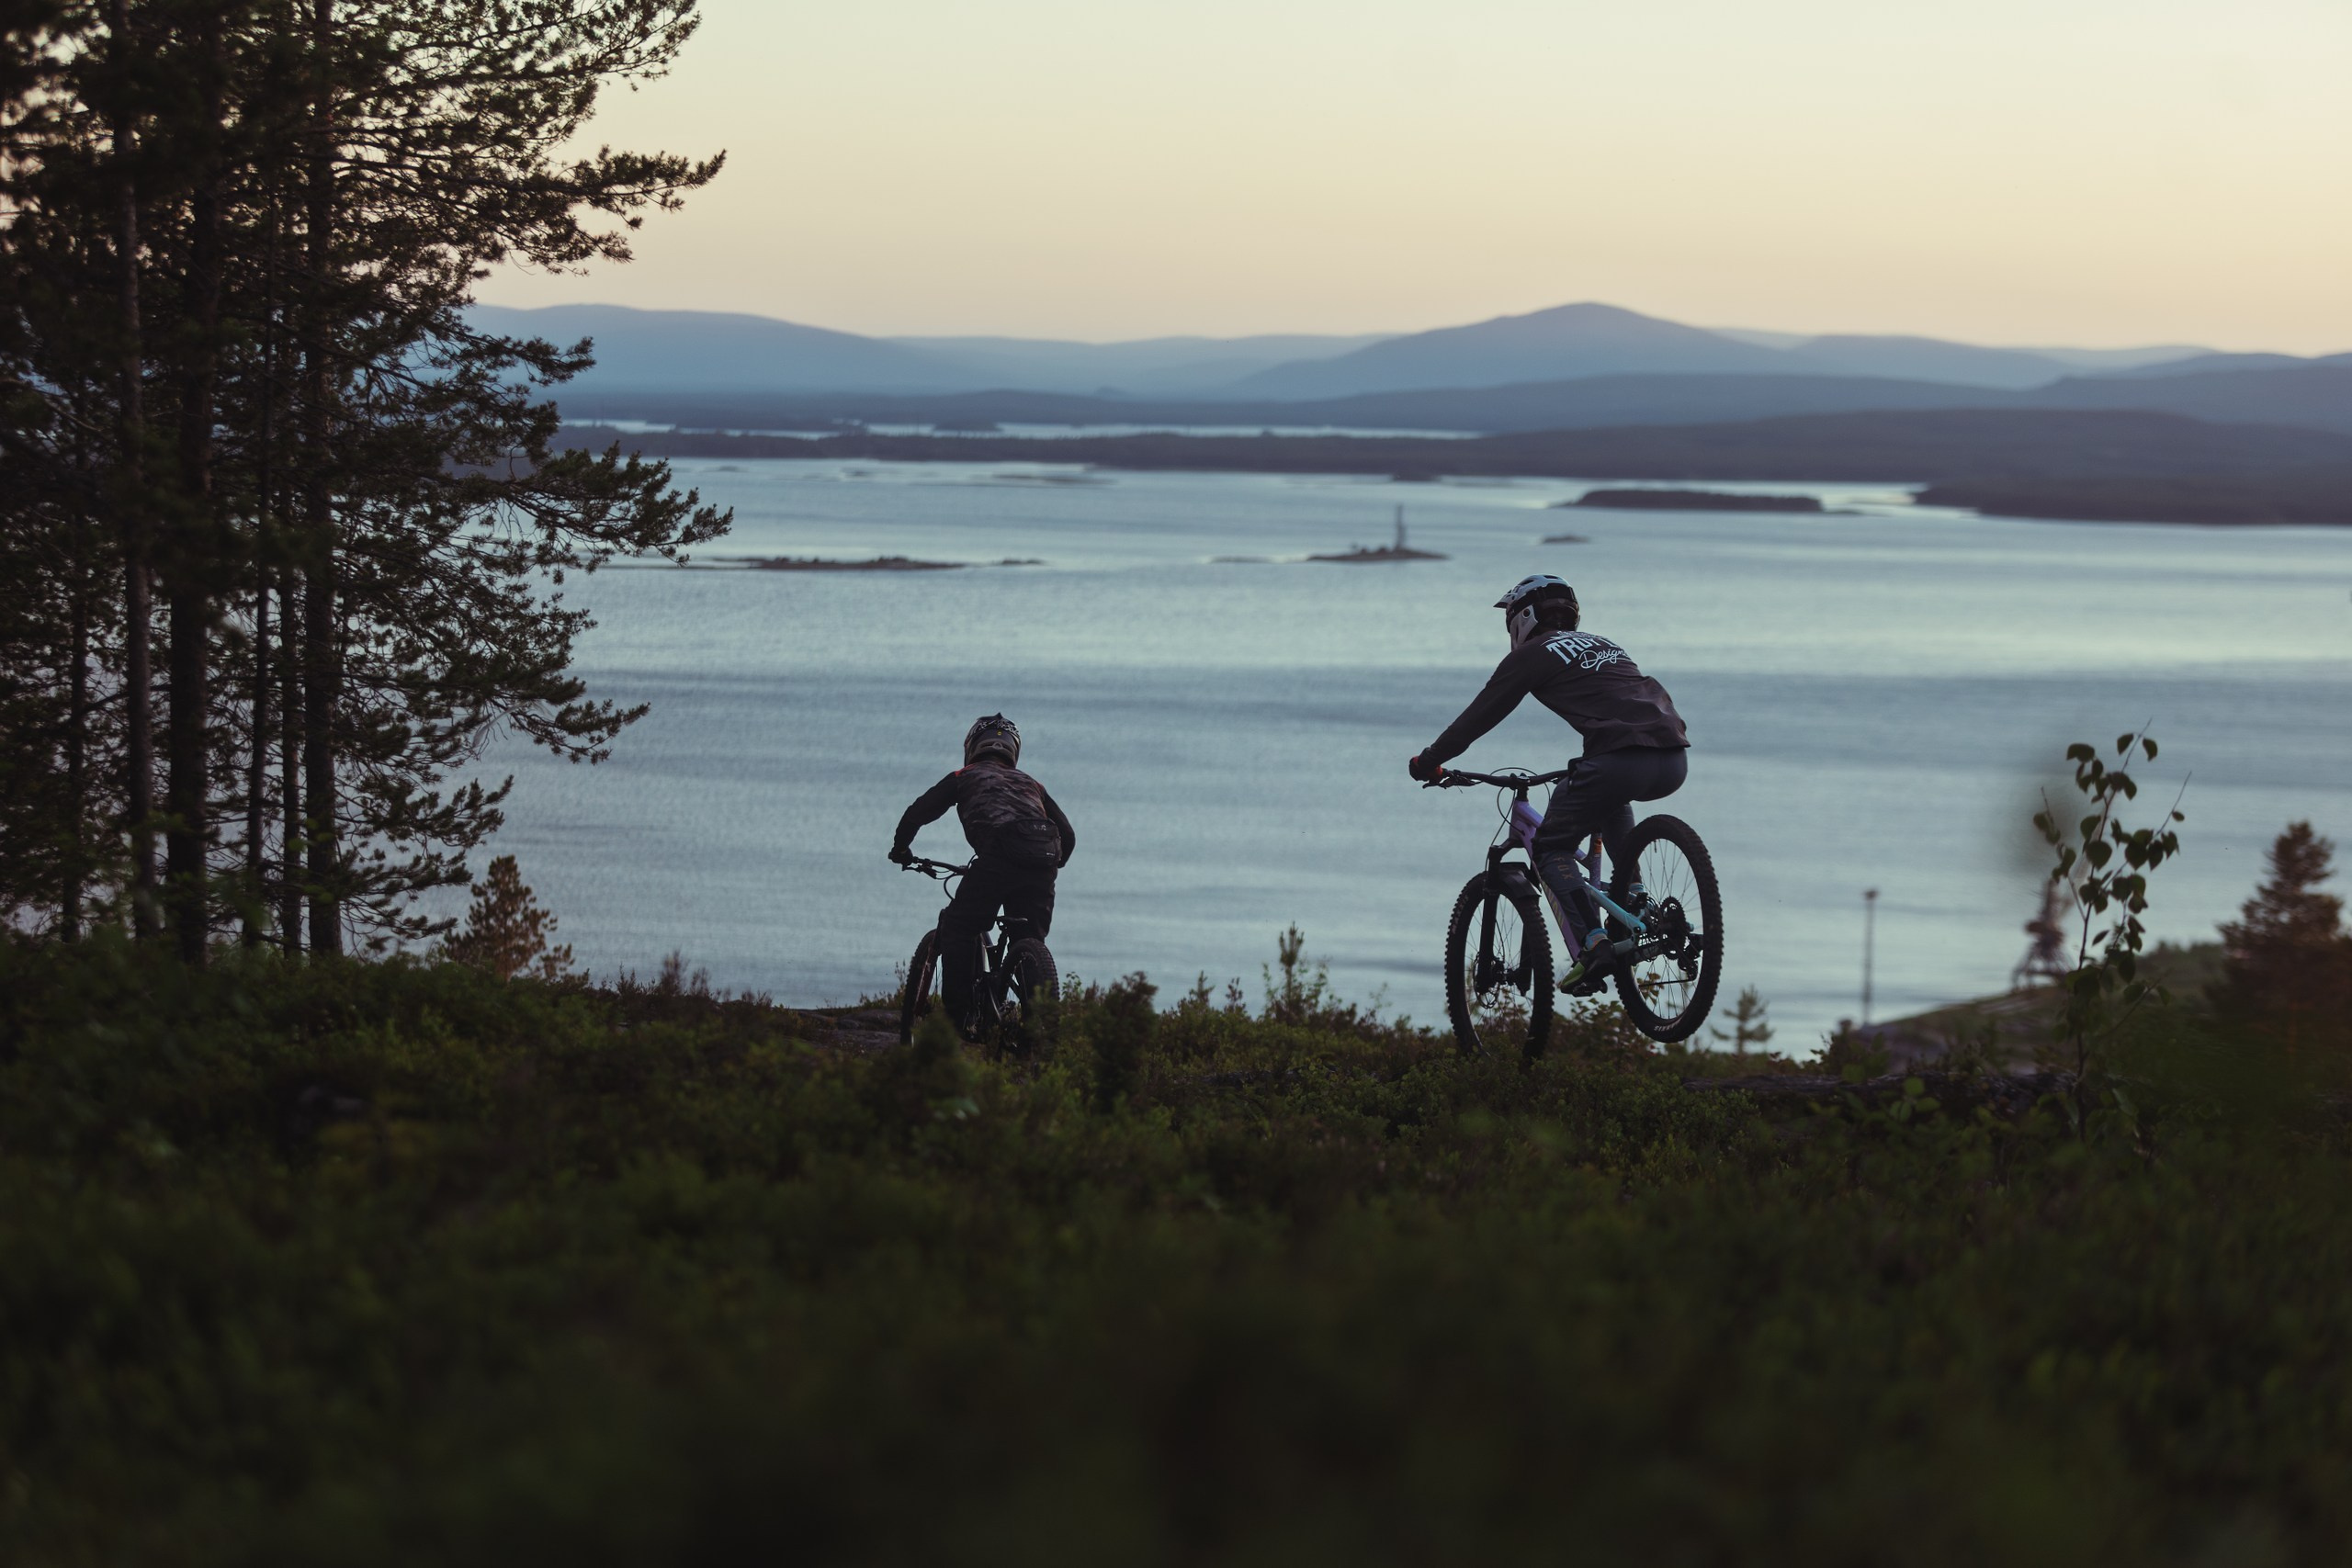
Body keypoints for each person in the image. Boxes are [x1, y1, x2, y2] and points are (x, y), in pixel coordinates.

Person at [1408, 575, 1690, 992]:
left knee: (1551, 846)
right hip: (1674, 758)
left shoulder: (1532, 655)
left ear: (1522, 617)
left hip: (1619, 760)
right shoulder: (1605, 644)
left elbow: (1477, 718)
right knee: (1606, 799)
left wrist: (1429, 762)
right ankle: (1636, 899)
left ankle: (1594, 944)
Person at [890, 714, 1076, 1033]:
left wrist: (901, 849)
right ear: (1013, 751)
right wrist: (1049, 866)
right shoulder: (1033, 784)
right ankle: (1037, 1035)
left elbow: (917, 813)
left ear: (973, 746)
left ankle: (959, 1019)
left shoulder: (964, 776)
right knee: (1028, 940)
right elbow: (1068, 835)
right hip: (1043, 863)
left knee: (959, 927)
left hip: (998, 859)